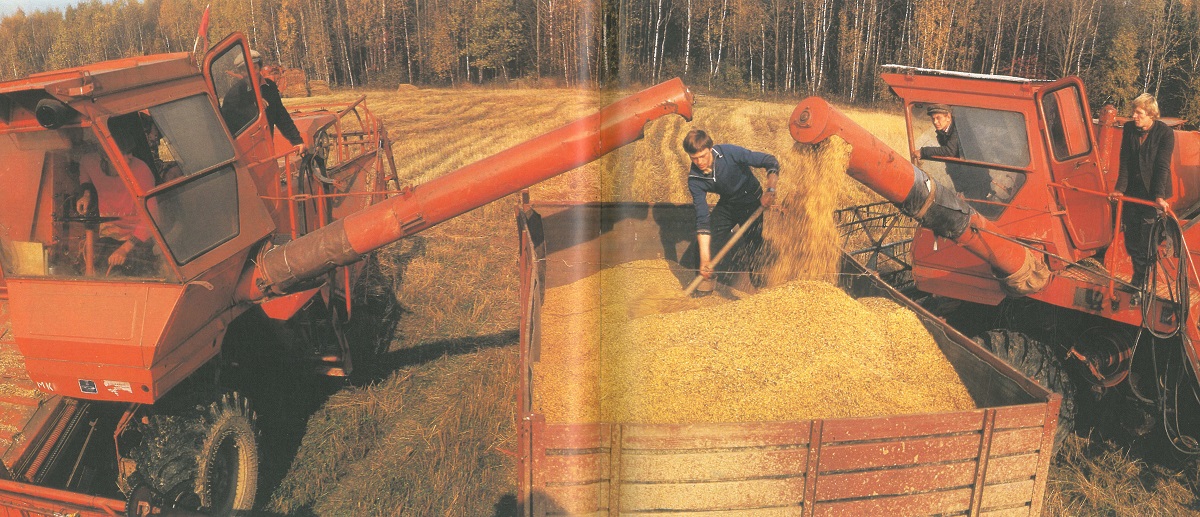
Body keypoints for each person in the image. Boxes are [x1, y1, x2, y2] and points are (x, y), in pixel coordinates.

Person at [684, 130, 779, 294]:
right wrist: (705, 259)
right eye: (694, 158)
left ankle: (761, 292)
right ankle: (704, 290)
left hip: (753, 202)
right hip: (728, 204)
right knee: (702, 247)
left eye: (703, 156)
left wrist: (770, 190)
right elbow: (702, 219)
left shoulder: (728, 153)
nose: (699, 162)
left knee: (755, 247)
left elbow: (770, 161)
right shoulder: (695, 179)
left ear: (710, 148)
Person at [1110, 92, 1175, 289]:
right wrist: (1120, 189)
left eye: (1138, 113)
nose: (1134, 116)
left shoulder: (1165, 133)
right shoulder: (1129, 129)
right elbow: (1125, 161)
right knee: (1131, 239)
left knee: (1147, 241)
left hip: (1153, 194)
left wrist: (1159, 196)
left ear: (1151, 114)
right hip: (1132, 193)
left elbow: (1163, 166)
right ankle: (1139, 278)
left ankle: (1141, 283)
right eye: (1133, 112)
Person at [74, 126, 157, 275]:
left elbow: (152, 217)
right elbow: (84, 168)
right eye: (123, 153)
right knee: (90, 267)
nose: (130, 157)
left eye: (130, 152)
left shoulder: (141, 170)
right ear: (106, 156)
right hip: (110, 233)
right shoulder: (91, 161)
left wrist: (124, 249)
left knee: (124, 272)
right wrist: (86, 193)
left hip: (137, 236)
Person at [221, 50, 305, 152]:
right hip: (245, 152)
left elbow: (281, 115)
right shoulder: (234, 94)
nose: (250, 73)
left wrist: (297, 141)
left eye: (254, 68)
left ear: (260, 68)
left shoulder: (270, 87)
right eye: (245, 70)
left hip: (267, 148)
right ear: (240, 73)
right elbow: (228, 123)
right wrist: (253, 106)